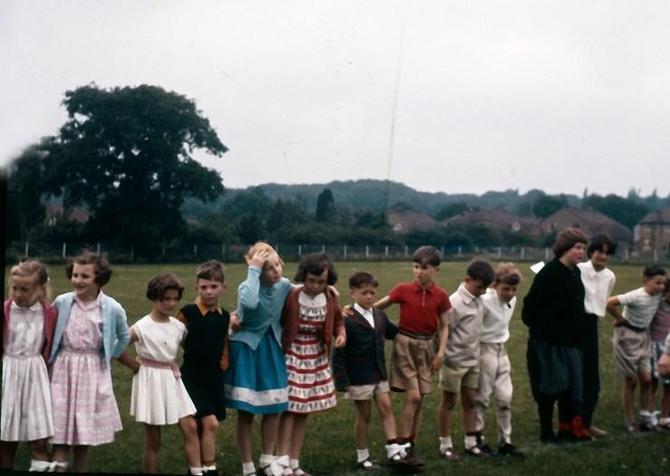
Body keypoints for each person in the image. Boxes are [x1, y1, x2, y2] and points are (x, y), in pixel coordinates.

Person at [49, 252, 130, 472]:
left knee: (83, 439)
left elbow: (124, 336)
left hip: (92, 371)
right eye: (75, 275)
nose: (78, 280)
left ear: (99, 279)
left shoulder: (112, 307)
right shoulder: (63, 302)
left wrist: (109, 354)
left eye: (85, 276)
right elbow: (49, 328)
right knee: (60, 435)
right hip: (63, 370)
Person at [117, 273, 201, 475]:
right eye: (165, 299)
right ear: (154, 297)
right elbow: (116, 348)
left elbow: (193, 349)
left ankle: (197, 471)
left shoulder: (178, 327)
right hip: (150, 380)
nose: (171, 303)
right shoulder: (142, 327)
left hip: (172, 379)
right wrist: (134, 365)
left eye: (175, 299)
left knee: (190, 426)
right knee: (154, 438)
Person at [375, 245, 451, 465]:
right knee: (414, 396)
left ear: (435, 270)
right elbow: (377, 307)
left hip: (427, 348)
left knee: (419, 400)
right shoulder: (402, 289)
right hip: (404, 346)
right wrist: (354, 311)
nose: (419, 272)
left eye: (425, 268)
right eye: (416, 267)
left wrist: (440, 353)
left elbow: (444, 326)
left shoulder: (441, 296)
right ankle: (401, 445)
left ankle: (409, 443)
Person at [224, 243, 293, 476]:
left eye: (278, 265)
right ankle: (247, 465)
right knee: (246, 411)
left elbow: (302, 291)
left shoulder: (284, 285)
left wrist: (329, 291)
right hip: (246, 349)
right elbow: (250, 303)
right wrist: (253, 270)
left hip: (271, 348)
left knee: (273, 406)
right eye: (268, 268)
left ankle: (267, 458)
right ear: (257, 271)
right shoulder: (247, 286)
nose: (276, 271)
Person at [333, 272, 413, 471]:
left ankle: (393, 451)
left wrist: (415, 328)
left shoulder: (379, 314)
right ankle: (363, 457)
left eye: (372, 292)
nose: (369, 296)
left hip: (378, 372)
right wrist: (341, 380)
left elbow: (393, 332)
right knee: (365, 415)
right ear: (353, 293)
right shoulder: (347, 319)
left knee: (386, 407)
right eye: (364, 293)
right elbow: (338, 354)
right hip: (359, 376)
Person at [275, 254, 345, 476]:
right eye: (311, 281)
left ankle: (295, 463)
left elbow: (338, 320)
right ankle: (281, 461)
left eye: (321, 282)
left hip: (316, 356)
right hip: (293, 354)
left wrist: (341, 334)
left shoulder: (329, 298)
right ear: (303, 277)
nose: (315, 286)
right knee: (290, 409)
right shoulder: (293, 295)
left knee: (303, 411)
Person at [522, 228, 589, 443]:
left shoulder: (575, 272)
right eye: (577, 247)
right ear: (564, 248)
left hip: (571, 342)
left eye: (584, 248)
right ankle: (546, 431)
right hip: (548, 342)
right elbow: (529, 308)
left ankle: (566, 429)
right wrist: (544, 330)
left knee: (570, 387)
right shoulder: (549, 273)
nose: (582, 252)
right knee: (550, 387)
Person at [0, 261, 57, 472]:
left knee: (38, 439)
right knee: (6, 440)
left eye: (25, 289)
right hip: (8, 373)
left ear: (41, 289)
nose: (18, 294)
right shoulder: (5, 310)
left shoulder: (49, 313)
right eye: (15, 288)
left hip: (35, 375)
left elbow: (52, 346)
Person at [176, 261, 230, 476]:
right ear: (196, 287)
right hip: (192, 376)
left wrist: (224, 361)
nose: (208, 291)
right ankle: (210, 468)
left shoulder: (224, 316)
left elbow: (224, 342)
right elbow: (174, 337)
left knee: (204, 425)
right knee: (211, 423)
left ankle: (197, 468)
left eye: (214, 286)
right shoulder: (188, 312)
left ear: (223, 288)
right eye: (204, 287)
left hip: (214, 377)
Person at [437, 259, 494, 460]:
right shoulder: (454, 303)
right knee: (449, 402)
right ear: (467, 280)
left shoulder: (480, 299)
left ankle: (471, 443)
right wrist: (442, 356)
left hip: (472, 361)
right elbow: (444, 331)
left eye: (485, 288)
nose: (482, 291)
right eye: (479, 287)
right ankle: (445, 445)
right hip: (453, 363)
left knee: (470, 401)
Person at [607, 265, 667, 432]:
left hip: (644, 337)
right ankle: (629, 420)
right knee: (631, 381)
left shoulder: (658, 295)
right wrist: (620, 319)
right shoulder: (636, 295)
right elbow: (610, 303)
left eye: (663, 284)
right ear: (646, 280)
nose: (661, 287)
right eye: (657, 283)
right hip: (627, 337)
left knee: (647, 380)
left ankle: (647, 418)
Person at [474, 263, 524, 457]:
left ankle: (505, 441)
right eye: (505, 289)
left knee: (505, 398)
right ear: (495, 285)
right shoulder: (484, 300)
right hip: (484, 350)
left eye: (513, 289)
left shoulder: (513, 300)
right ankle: (477, 438)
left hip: (501, 351)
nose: (510, 293)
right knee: (482, 397)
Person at [577, 234, 617, 438]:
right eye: (600, 251)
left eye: (607, 253)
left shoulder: (610, 276)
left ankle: (587, 422)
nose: (603, 256)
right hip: (574, 324)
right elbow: (543, 269)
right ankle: (572, 423)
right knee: (574, 375)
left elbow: (603, 300)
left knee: (592, 379)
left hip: (591, 326)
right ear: (591, 252)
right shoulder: (578, 269)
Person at [650, 279, 670, 430]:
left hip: (669, 349)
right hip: (655, 348)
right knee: (652, 383)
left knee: (669, 386)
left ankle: (664, 416)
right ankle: (649, 415)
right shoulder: (656, 304)